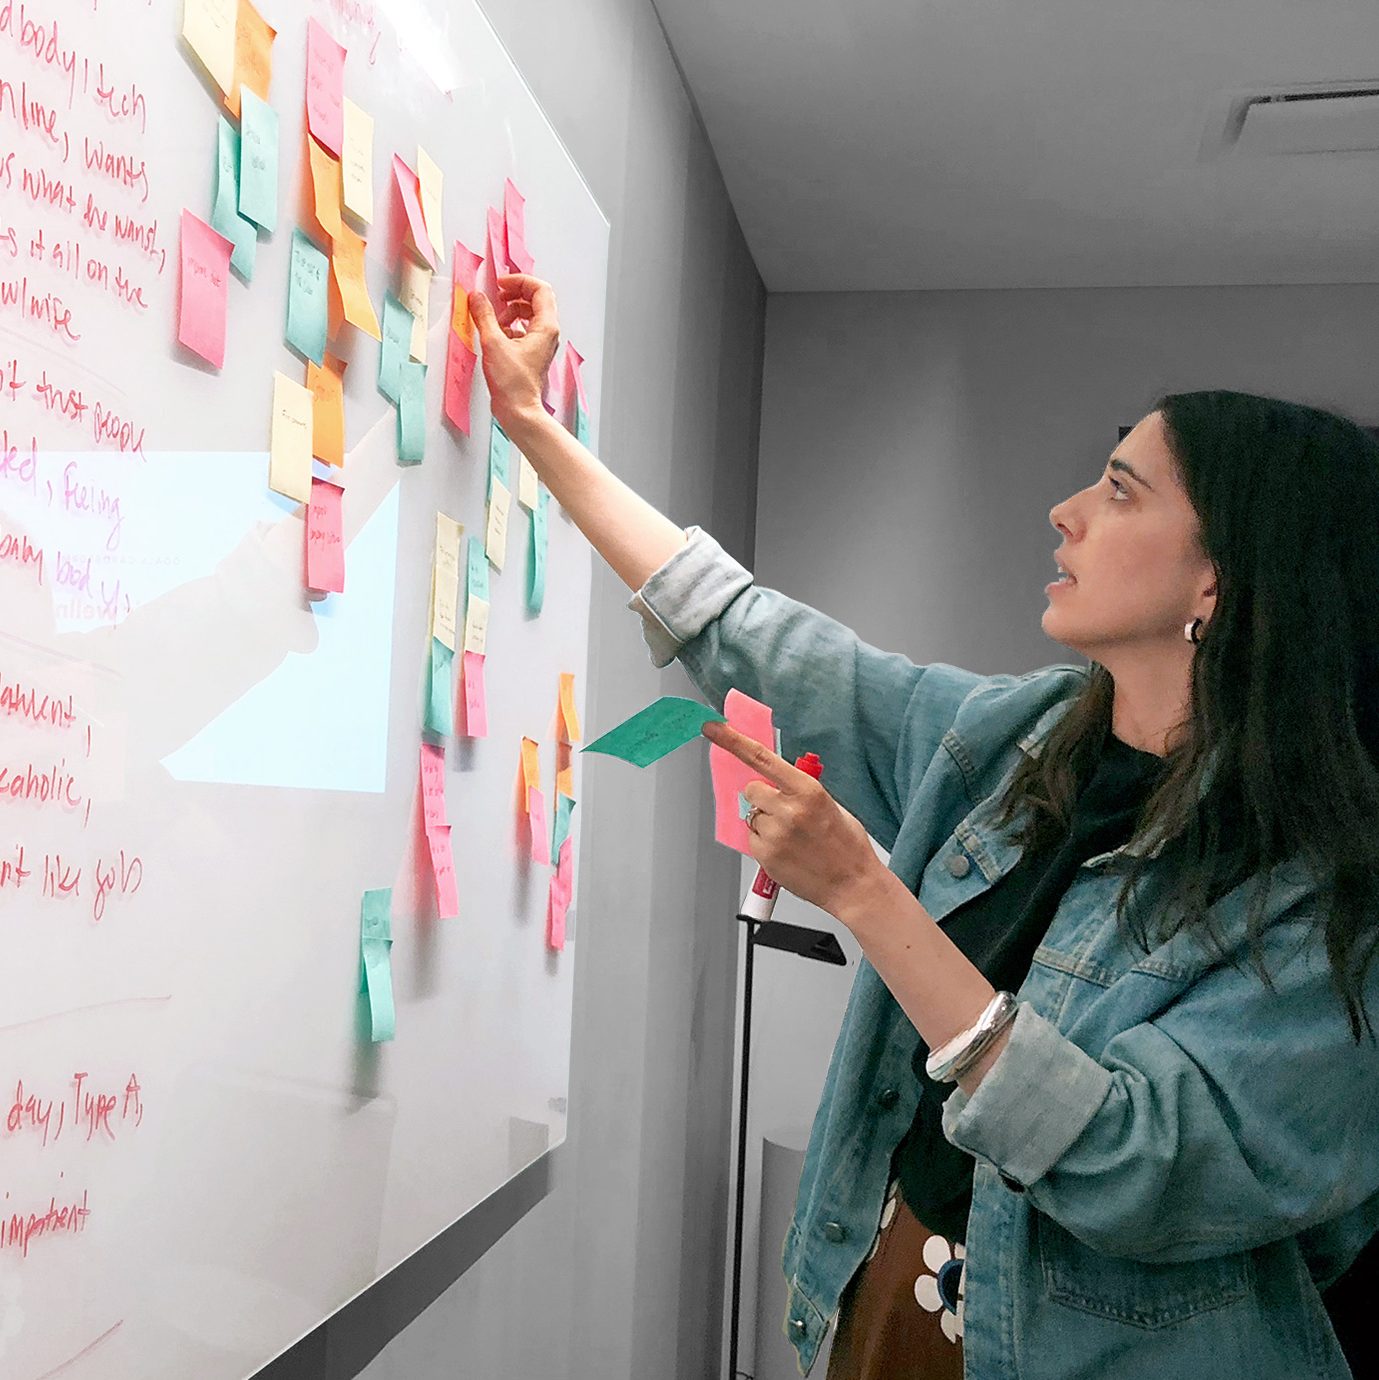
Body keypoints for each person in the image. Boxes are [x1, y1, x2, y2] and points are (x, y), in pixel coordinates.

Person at [469, 275, 1379, 1380]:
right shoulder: (1020, 735)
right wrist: (529, 424)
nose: (1067, 512)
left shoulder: (1323, 890)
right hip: (890, 1296)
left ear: (1217, 586)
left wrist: (862, 891)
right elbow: (757, 637)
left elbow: (1131, 1164)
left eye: (1121, 493)